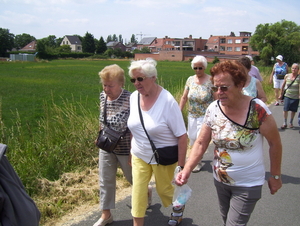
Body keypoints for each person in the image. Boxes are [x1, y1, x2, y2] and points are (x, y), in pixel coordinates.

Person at [175, 60, 282, 226]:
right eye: (215, 88)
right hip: (221, 182)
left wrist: (275, 176)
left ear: (240, 85)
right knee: (227, 221)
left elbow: (275, 143)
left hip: (248, 183)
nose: (219, 93)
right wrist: (187, 168)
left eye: (224, 88)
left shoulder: (257, 109)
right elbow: (202, 143)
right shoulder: (213, 109)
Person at [127, 58, 187, 226]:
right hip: (139, 153)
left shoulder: (167, 102)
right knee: (138, 191)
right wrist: (131, 153)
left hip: (163, 155)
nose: (136, 83)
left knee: (166, 191)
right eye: (133, 80)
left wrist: (181, 167)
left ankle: (179, 205)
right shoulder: (133, 98)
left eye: (140, 79)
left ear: (153, 77)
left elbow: (182, 136)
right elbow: (135, 127)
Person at [93, 64, 132, 226]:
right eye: (104, 84)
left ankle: (146, 191)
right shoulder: (103, 96)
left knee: (133, 178)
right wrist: (99, 135)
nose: (107, 88)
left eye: (110, 85)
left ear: (121, 83)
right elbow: (102, 118)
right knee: (105, 180)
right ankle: (106, 214)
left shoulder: (131, 98)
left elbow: (135, 126)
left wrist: (133, 151)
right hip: (107, 146)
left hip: (126, 148)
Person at [179, 55, 216, 173]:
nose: (198, 70)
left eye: (200, 68)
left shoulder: (211, 81)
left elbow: (216, 99)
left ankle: (197, 161)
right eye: (195, 68)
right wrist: (178, 111)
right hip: (192, 114)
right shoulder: (190, 80)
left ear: (204, 67)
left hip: (205, 116)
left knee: (200, 139)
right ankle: (195, 158)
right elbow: (184, 97)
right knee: (192, 137)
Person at [279, 63, 300, 129]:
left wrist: (299, 95)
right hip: (287, 95)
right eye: (293, 68)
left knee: (293, 110)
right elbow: (283, 86)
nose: (294, 69)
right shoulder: (287, 76)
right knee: (285, 109)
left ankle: (291, 122)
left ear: (298, 69)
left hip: (295, 96)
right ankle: (285, 123)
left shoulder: (299, 77)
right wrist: (281, 94)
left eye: (295, 68)